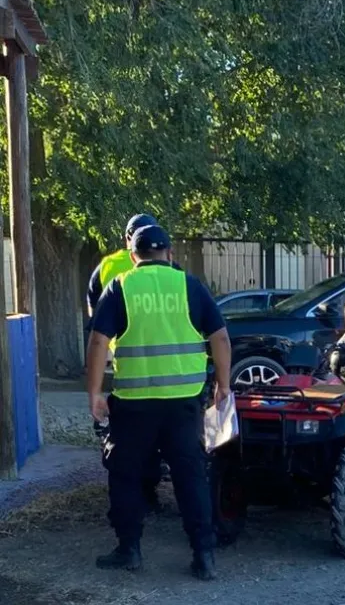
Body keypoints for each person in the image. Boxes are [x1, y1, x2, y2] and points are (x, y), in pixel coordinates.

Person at [86, 225, 231, 580]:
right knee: (190, 476)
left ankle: (129, 549)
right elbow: (221, 337)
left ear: (133, 256)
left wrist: (93, 393)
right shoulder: (190, 285)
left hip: (134, 404)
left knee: (126, 476)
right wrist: (223, 386)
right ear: (169, 253)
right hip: (182, 405)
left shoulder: (121, 286)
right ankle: (203, 555)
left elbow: (98, 341)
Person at [86, 213, 181, 511]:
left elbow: (95, 322)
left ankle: (132, 504)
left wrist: (95, 385)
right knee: (167, 439)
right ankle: (153, 491)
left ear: (128, 240)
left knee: (127, 437)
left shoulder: (107, 267)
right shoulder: (173, 270)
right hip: (173, 372)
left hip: (126, 364)